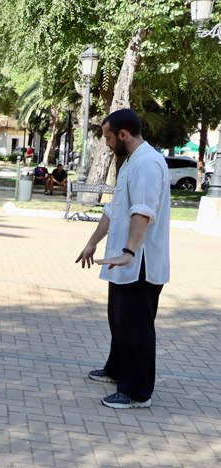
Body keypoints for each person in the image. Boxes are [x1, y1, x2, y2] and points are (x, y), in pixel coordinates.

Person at [75, 108, 170, 410]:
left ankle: (137, 392)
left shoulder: (148, 163)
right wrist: (92, 243)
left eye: (107, 136)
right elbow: (114, 210)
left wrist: (129, 251)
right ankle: (117, 370)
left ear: (123, 134)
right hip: (122, 261)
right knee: (119, 321)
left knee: (137, 329)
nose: (106, 143)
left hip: (138, 263)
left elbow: (143, 210)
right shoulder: (131, 163)